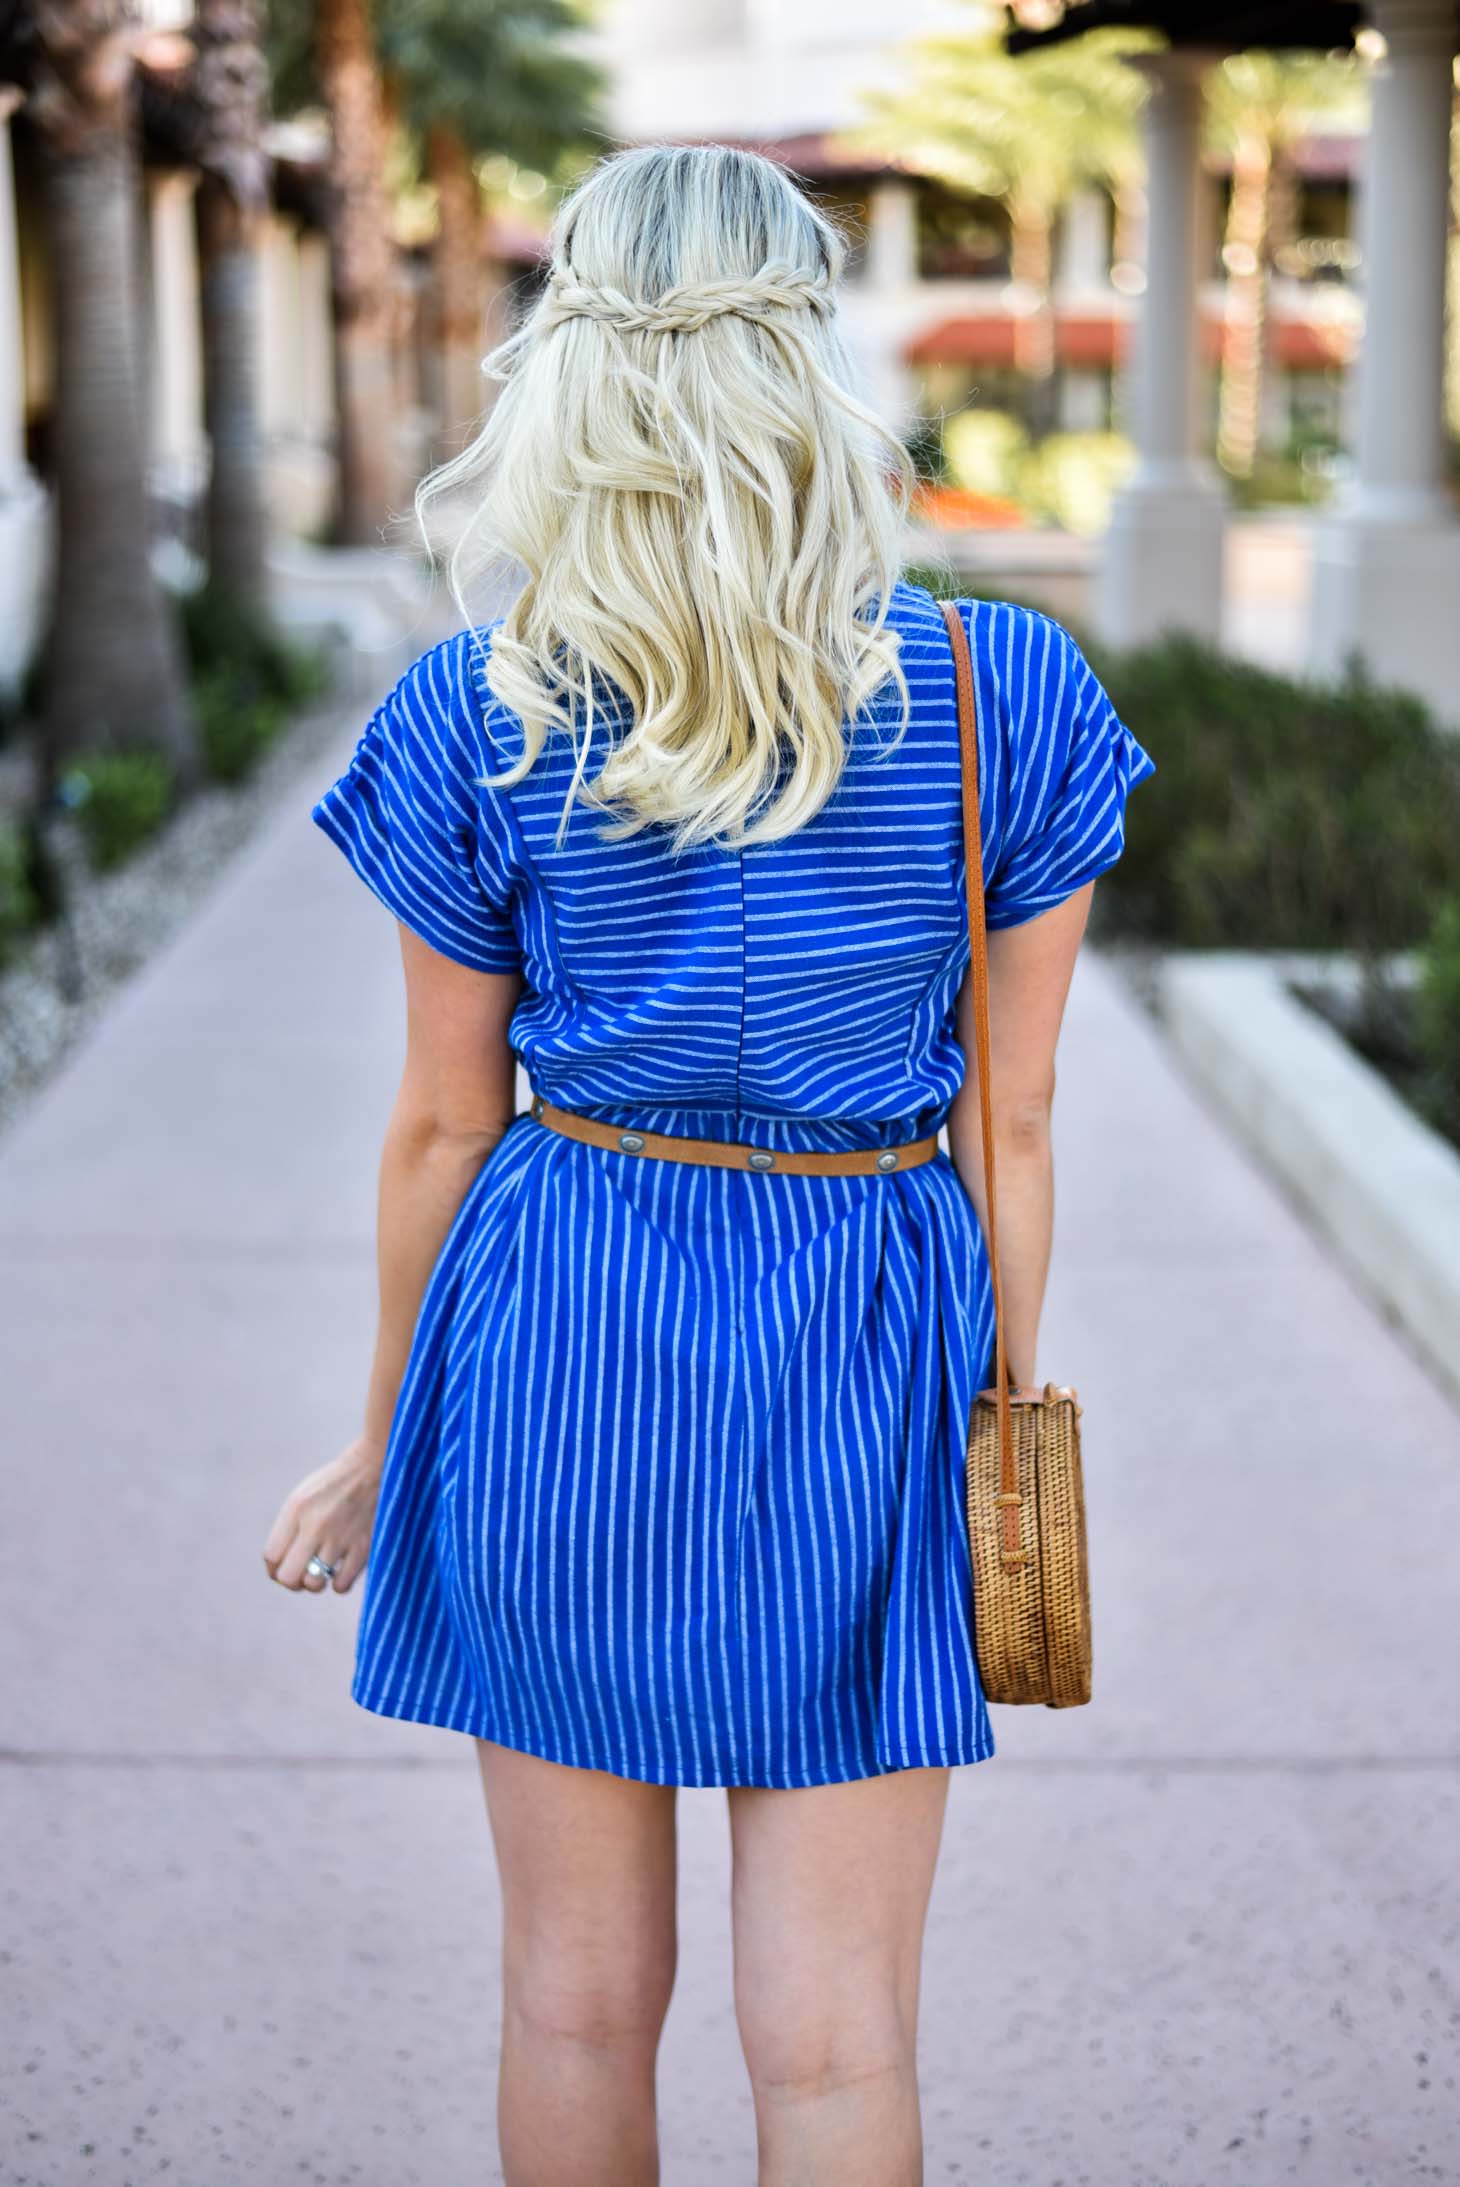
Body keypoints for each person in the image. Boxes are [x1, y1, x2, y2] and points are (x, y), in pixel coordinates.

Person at [263, 142, 1154, 2187]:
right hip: (864, 1334)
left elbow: (438, 1122)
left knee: (571, 1996)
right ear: (810, 345)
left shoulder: (479, 710)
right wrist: (998, 1419)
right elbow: (1011, 1123)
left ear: (566, 359)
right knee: (837, 2041)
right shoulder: (990, 689)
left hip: (563, 1328)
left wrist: (385, 1427)